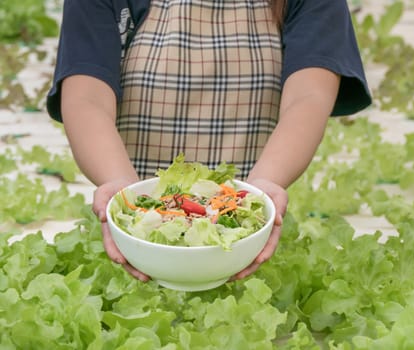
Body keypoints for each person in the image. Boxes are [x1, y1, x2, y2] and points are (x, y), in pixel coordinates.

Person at [47, 0, 372, 282]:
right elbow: (86, 99)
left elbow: (308, 96)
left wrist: (260, 195)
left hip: (249, 239)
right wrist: (124, 197)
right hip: (131, 239)